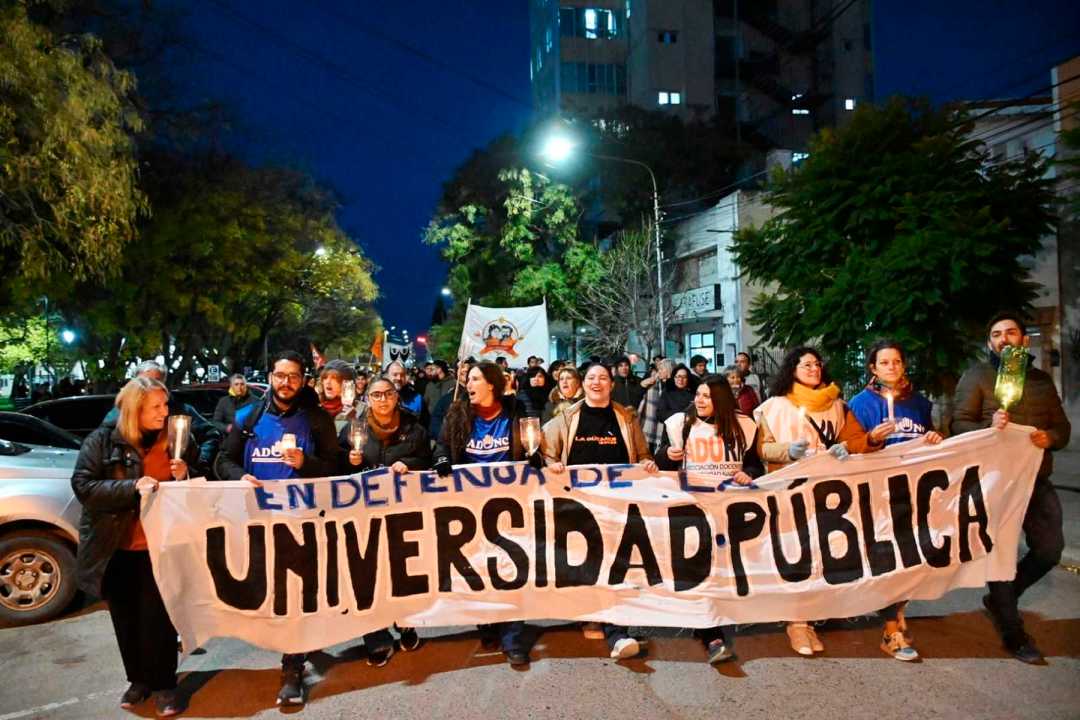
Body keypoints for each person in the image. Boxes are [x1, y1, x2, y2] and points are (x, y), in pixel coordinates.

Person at [71, 377, 200, 717]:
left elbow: (202, 478)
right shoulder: (102, 441)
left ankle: (165, 685)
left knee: (159, 619)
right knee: (126, 619)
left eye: (165, 404)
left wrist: (185, 473)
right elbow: (83, 486)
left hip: (161, 546)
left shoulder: (176, 437)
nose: (164, 412)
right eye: (156, 406)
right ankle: (138, 680)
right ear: (134, 410)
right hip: (115, 546)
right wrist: (131, 487)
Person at [217, 350, 340, 706]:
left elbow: (334, 468)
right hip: (259, 523)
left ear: (303, 380)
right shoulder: (248, 416)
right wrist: (240, 476)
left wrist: (306, 463)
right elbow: (222, 459)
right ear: (271, 377)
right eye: (280, 376)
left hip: (303, 524)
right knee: (272, 594)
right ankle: (298, 645)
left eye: (294, 376)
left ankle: (292, 669)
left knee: (295, 594)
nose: (286, 383)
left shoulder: (316, 420)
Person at [952, 311, 1071, 665]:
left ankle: (1002, 597)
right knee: (1001, 554)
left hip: (1036, 480)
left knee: (1049, 550)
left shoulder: (1041, 381)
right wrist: (988, 426)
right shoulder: (976, 376)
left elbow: (1063, 428)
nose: (1003, 338)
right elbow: (958, 425)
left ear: (1024, 339)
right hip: (994, 482)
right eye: (996, 334)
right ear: (989, 342)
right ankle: (1012, 630)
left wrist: (1050, 437)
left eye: (1011, 332)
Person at [753, 346, 885, 657]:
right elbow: (762, 449)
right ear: (792, 369)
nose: (814, 369)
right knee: (796, 553)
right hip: (789, 491)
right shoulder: (774, 407)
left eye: (817, 364)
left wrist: (852, 446)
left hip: (828, 491)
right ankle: (797, 622)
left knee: (821, 552)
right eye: (807, 364)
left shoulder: (837, 405)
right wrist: (788, 451)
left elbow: (851, 440)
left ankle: (813, 613)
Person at [541, 362, 658, 660]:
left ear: (611, 385)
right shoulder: (566, 418)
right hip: (579, 505)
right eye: (591, 378)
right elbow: (545, 451)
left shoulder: (626, 418)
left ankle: (614, 629)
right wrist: (551, 465)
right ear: (583, 384)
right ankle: (602, 622)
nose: (597, 382)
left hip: (617, 505)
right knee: (589, 563)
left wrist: (647, 463)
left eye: (603, 378)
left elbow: (643, 454)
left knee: (615, 563)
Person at [434, 361, 538, 666]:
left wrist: (534, 457)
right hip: (471, 505)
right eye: (468, 379)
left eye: (475, 379)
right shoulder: (457, 413)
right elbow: (441, 445)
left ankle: (513, 638)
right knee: (478, 568)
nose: (469, 384)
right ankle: (487, 623)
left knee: (511, 567)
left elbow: (532, 439)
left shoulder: (515, 411)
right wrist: (442, 459)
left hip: (510, 504)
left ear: (492, 384)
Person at [848, 339, 945, 662]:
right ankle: (891, 631)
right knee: (890, 559)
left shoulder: (919, 403)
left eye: (897, 361)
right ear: (873, 368)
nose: (891, 367)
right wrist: (871, 439)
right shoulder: (860, 404)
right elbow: (849, 447)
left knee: (915, 558)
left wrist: (934, 439)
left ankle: (897, 610)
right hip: (878, 495)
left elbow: (932, 438)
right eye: (884, 362)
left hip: (916, 494)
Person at [655, 375, 762, 664]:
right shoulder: (680, 424)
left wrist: (748, 473)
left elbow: (754, 463)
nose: (699, 400)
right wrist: (667, 454)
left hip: (730, 508)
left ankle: (717, 618)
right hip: (693, 509)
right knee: (699, 567)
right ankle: (711, 633)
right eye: (698, 395)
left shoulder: (744, 426)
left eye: (707, 396)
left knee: (725, 568)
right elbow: (660, 462)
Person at [340, 375, 431, 663]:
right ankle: (376, 636)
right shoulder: (353, 428)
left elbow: (428, 460)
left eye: (388, 394)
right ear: (367, 399)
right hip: (363, 514)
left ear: (396, 397)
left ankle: (406, 623)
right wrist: (349, 462)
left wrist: (409, 463)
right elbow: (334, 465)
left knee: (402, 570)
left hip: (402, 511)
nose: (383, 400)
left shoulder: (414, 429)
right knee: (368, 574)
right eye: (376, 395)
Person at [104, 361, 222, 473]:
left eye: (156, 381)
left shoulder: (181, 412)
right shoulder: (117, 416)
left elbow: (210, 436)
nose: (150, 386)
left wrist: (199, 462)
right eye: (143, 382)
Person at [639, 359, 674, 451]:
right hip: (651, 423)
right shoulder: (654, 383)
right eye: (659, 369)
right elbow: (640, 389)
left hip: (668, 423)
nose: (659, 372)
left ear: (669, 370)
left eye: (662, 369)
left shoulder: (673, 386)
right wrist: (645, 383)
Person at [386, 360, 429, 428]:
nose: (399, 378)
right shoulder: (378, 397)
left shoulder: (417, 398)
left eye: (402, 375)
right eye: (395, 374)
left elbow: (424, 425)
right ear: (387, 376)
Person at [317, 359, 357, 432]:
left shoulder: (360, 409)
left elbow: (363, 435)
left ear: (346, 384)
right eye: (325, 377)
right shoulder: (314, 407)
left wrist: (353, 420)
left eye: (334, 378)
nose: (328, 382)